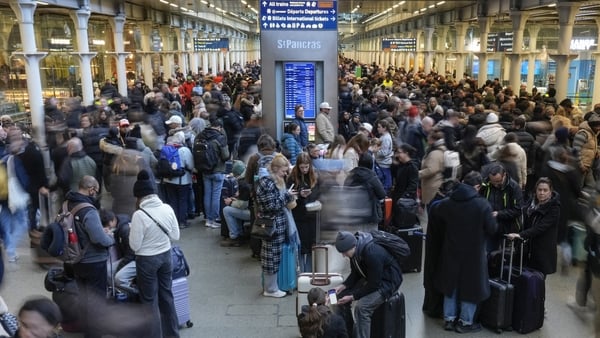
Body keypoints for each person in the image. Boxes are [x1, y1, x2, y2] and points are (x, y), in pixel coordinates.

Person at [430, 171, 497, 333]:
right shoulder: (482, 205)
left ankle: (449, 319)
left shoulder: (448, 203)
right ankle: (465, 323)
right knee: (471, 288)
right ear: (477, 186)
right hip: (473, 254)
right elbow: (492, 229)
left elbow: (437, 214)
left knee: (450, 285)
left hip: (451, 250)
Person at [129, 169, 180, 337]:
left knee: (149, 300)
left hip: (146, 260)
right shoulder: (167, 208)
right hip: (166, 256)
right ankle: (172, 334)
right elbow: (175, 236)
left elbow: (134, 246)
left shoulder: (139, 215)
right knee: (167, 296)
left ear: (139, 197)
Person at [64, 175, 115, 338]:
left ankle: (87, 331)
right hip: (93, 261)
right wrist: (110, 238)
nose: (96, 194)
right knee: (96, 302)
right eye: (96, 191)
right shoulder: (88, 209)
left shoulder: (66, 205)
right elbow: (98, 239)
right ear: (91, 189)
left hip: (75, 259)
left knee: (84, 299)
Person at [333, 230, 402, 338]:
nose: (343, 255)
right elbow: (355, 273)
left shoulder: (372, 253)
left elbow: (374, 284)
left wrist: (353, 296)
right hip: (371, 277)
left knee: (362, 308)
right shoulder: (355, 253)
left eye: (344, 252)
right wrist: (344, 285)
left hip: (388, 282)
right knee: (340, 298)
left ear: (352, 246)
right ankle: (348, 333)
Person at [255, 154, 297, 298]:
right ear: (275, 168)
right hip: (271, 226)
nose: (285, 174)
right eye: (283, 171)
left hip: (275, 225)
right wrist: (286, 195)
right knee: (270, 257)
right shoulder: (266, 182)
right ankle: (270, 289)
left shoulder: (271, 181)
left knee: (273, 256)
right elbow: (271, 205)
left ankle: (272, 287)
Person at [507, 177, 560, 279]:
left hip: (542, 252)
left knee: (537, 281)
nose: (542, 193)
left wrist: (520, 235)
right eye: (539, 190)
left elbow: (540, 228)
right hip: (528, 250)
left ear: (550, 192)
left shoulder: (554, 208)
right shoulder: (530, 204)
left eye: (545, 190)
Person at [480, 162, 524, 253]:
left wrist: (499, 214)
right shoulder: (486, 184)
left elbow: (518, 210)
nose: (495, 184)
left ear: (504, 175)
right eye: (493, 182)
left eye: (498, 181)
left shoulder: (513, 188)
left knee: (504, 257)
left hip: (508, 228)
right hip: (491, 226)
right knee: (488, 254)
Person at [287, 152, 320, 272]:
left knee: (311, 245)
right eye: (302, 167)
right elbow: (288, 195)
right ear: (298, 166)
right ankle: (302, 273)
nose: (305, 170)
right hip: (299, 215)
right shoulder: (292, 177)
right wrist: (299, 195)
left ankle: (309, 272)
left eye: (307, 167)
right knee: (300, 246)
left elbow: (319, 192)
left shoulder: (315, 176)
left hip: (312, 215)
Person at [199, 119, 230, 229]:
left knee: (207, 194)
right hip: (218, 170)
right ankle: (214, 219)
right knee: (216, 196)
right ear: (219, 127)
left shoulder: (201, 136)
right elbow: (226, 156)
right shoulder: (220, 137)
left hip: (205, 169)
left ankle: (208, 219)